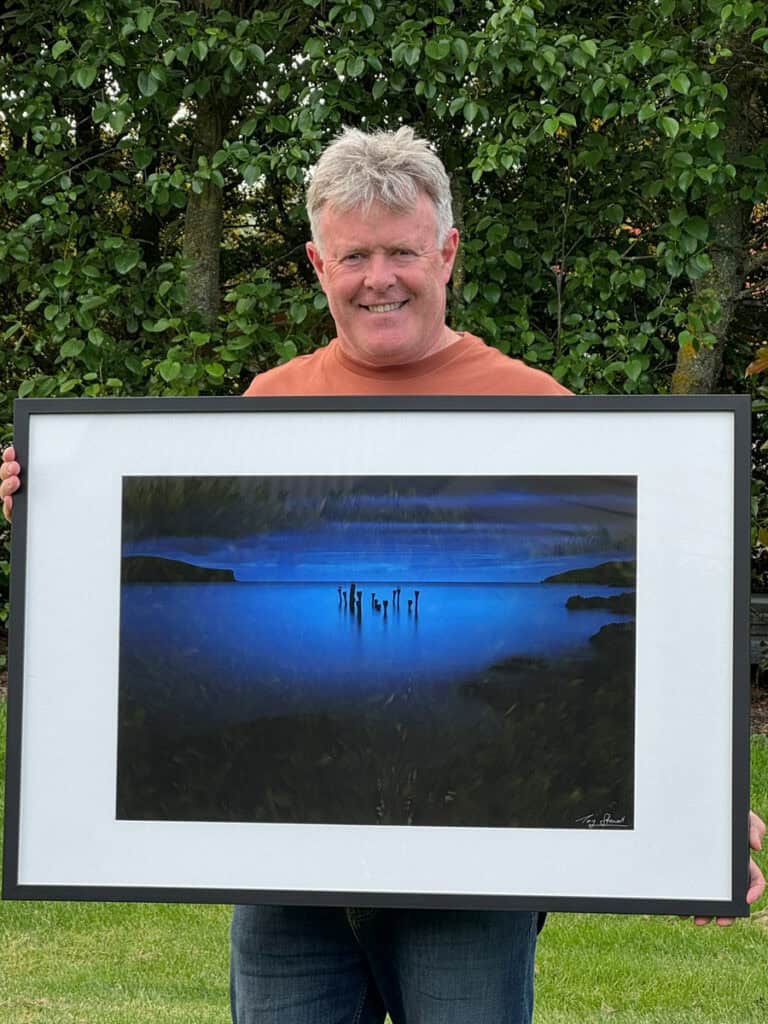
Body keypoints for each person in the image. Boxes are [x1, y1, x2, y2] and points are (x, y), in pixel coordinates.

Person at [2, 126, 765, 1024]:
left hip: (476, 864)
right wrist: (58, 511)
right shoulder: (271, 402)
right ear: (317, 263)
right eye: (354, 254)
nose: (380, 277)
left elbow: (656, 621)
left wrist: (702, 813)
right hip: (283, 866)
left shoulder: (537, 407)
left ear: (446, 253)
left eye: (402, 250)